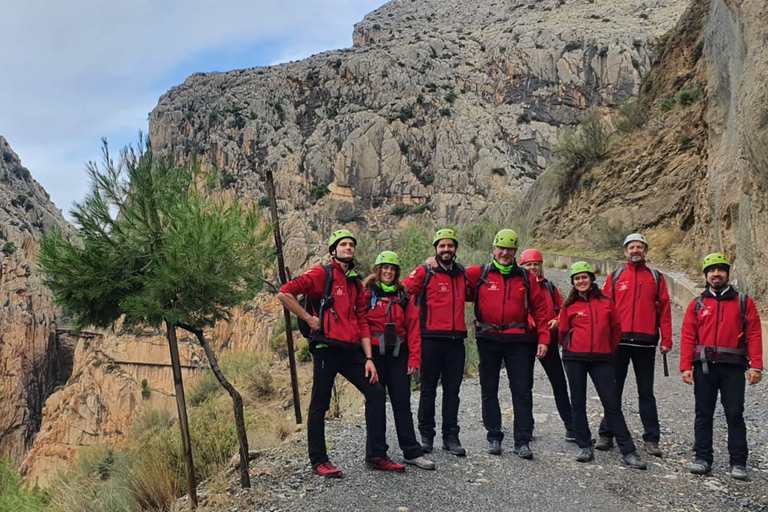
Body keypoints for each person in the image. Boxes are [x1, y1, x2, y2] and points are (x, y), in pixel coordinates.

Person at [277, 229, 404, 477]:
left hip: (351, 350)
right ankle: (319, 460)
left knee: (376, 392)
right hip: (326, 348)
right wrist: (308, 319)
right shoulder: (321, 274)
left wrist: (369, 359)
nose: (348, 248)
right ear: (333, 250)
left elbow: (362, 321)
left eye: (351, 244)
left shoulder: (356, 283)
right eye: (343, 244)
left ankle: (376, 455)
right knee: (320, 403)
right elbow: (285, 292)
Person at [466, 230, 551, 459]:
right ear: (494, 248)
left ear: (515, 252)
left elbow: (540, 310)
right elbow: (451, 277)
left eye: (509, 249)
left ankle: (522, 441)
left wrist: (544, 337)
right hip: (488, 339)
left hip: (519, 340)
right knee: (489, 389)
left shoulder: (526, 277)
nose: (504, 253)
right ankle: (494, 436)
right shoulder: (480, 273)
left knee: (522, 391)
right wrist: (429, 263)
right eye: (500, 248)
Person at [680, 253, 763, 480]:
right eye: (711, 271)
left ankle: (738, 461)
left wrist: (756, 365)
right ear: (706, 275)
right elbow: (688, 336)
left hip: (733, 368)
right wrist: (685, 366)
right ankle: (702, 458)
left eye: (720, 270)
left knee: (735, 414)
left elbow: (754, 334)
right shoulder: (698, 304)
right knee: (703, 414)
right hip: (704, 368)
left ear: (727, 274)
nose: (716, 274)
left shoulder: (743, 302)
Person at [559, 261, 647, 469]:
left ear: (591, 279)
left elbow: (616, 330)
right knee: (578, 402)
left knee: (612, 404)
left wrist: (607, 349)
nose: (581, 281)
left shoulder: (606, 303)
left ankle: (629, 451)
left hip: (601, 358)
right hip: (575, 358)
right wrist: (572, 346)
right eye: (577, 278)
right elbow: (562, 332)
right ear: (573, 282)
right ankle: (584, 445)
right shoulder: (569, 306)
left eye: (584, 277)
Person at [596, 233, 672, 457]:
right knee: (613, 390)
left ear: (645, 250)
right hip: (618, 343)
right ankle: (607, 433)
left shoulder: (656, 278)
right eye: (631, 247)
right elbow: (604, 308)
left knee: (646, 392)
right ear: (625, 251)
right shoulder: (616, 276)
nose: (635, 251)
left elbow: (665, 311)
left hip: (646, 343)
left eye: (639, 247)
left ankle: (652, 438)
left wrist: (666, 339)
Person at [363, 251, 435, 470]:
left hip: (398, 356)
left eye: (392, 269)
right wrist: (366, 358)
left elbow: (414, 328)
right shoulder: (367, 295)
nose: (388, 272)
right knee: (375, 405)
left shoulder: (403, 297)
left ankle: (411, 452)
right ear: (377, 270)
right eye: (385, 268)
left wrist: (414, 359)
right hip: (374, 357)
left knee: (402, 403)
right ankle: (375, 454)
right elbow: (361, 324)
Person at [403, 228, 468, 456]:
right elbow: (403, 290)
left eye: (450, 245)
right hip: (429, 340)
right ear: (435, 249)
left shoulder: (462, 274)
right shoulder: (426, 271)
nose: (446, 249)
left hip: (456, 341)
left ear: (455, 248)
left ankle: (451, 437)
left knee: (453, 391)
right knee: (428, 390)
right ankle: (426, 437)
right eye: (442, 246)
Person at [519, 248, 575, 442]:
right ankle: (526, 428)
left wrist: (558, 320)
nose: (533, 267)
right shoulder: (518, 286)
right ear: (522, 266)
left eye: (536, 264)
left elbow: (562, 309)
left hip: (548, 339)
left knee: (559, 382)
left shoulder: (549, 287)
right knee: (524, 385)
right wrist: (530, 321)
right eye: (528, 264)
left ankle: (571, 426)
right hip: (525, 340)